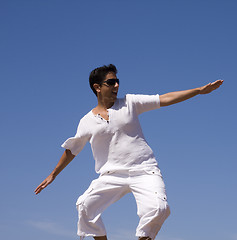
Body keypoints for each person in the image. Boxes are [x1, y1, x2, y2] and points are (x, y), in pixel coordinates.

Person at [34, 64, 223, 240]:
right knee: (84, 206)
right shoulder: (86, 121)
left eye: (117, 81)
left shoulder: (130, 103)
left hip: (144, 170)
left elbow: (164, 98)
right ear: (97, 87)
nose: (116, 85)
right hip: (111, 175)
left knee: (158, 208)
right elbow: (72, 150)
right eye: (111, 82)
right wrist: (53, 175)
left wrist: (198, 91)